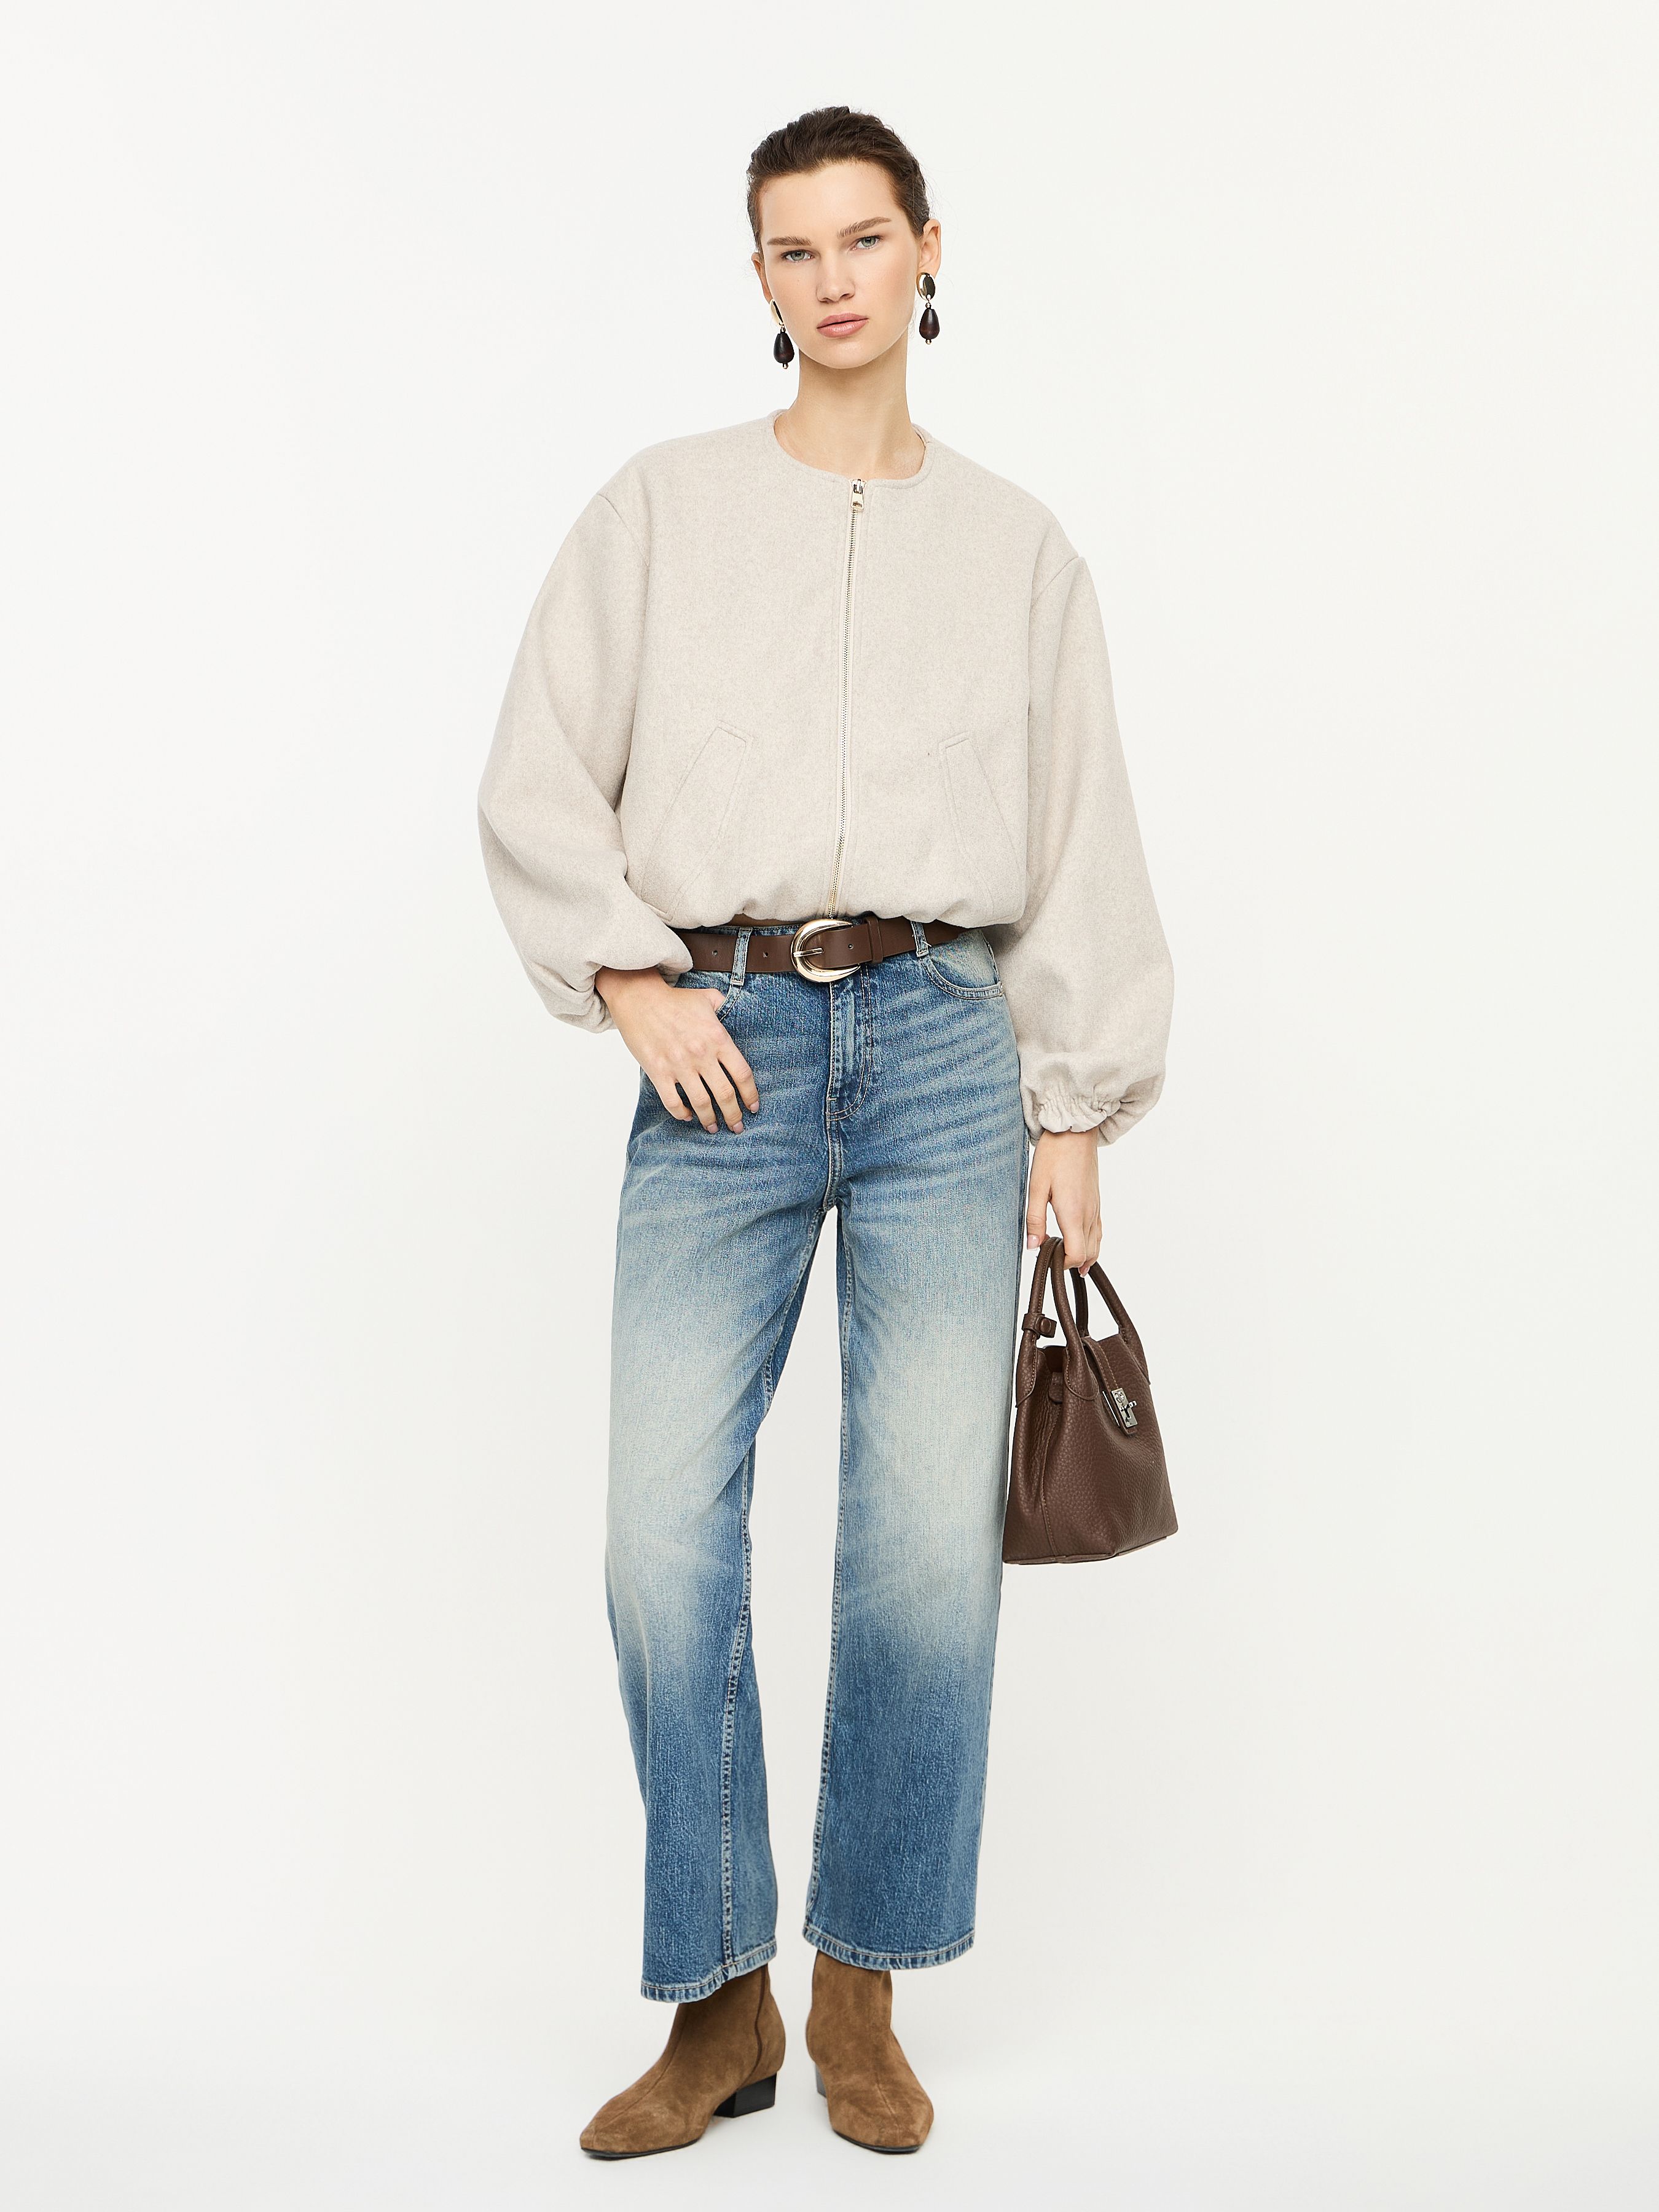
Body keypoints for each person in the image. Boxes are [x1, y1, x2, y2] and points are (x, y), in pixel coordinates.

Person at [477, 104, 1174, 2160]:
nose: (832, 278)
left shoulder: (1019, 550)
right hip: (727, 1042)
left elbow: (1080, 832)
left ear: (926, 251)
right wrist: (628, 981)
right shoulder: (661, 511)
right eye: (793, 248)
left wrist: (1074, 1107)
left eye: (863, 238)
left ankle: (860, 1983)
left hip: (953, 1049)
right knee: (656, 1532)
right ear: (760, 279)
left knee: (921, 1540)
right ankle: (719, 2000)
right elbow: (535, 776)